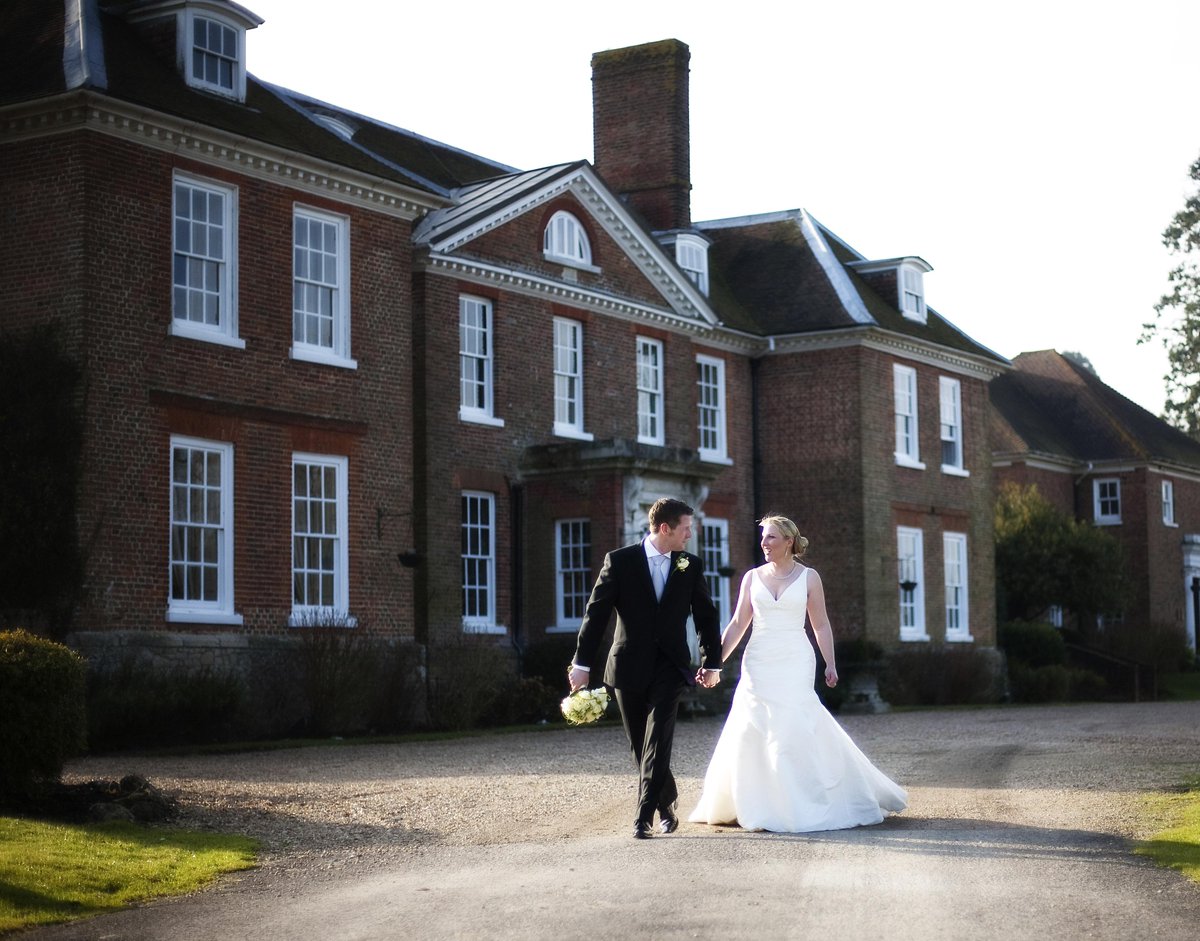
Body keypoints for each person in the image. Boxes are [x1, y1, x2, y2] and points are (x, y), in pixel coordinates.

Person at [688, 514, 907, 832]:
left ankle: (801, 803)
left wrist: (829, 662)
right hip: (758, 662)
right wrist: (713, 664)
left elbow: (820, 624)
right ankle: (754, 803)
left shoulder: (809, 577)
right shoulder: (752, 578)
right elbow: (737, 625)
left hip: (795, 660)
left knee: (792, 728)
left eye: (771, 537)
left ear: (789, 541)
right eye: (762, 537)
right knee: (752, 729)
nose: (764, 543)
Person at [568, 497, 723, 839]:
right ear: (665, 528)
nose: (690, 535)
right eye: (685, 529)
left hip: (670, 666)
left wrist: (712, 662)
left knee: (659, 737)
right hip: (627, 667)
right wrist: (581, 664)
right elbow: (595, 615)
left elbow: (706, 617)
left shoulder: (690, 565)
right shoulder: (619, 562)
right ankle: (666, 800)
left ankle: (643, 817)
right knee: (641, 744)